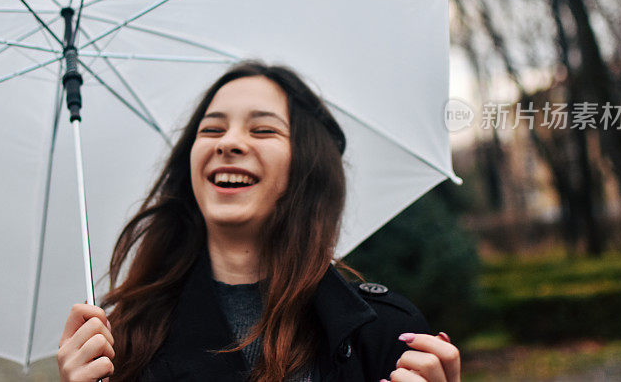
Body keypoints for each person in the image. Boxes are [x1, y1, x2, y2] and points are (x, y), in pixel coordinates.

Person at [57, 61, 461, 382]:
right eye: (211, 128)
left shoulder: (385, 332)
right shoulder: (123, 342)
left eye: (263, 129)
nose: (228, 142)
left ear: (305, 165)